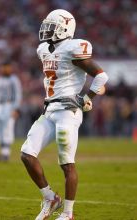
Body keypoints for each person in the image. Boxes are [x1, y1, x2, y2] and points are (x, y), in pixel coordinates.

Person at [21, 9, 108, 220]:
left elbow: (101, 76)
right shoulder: (43, 49)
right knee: (26, 153)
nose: (47, 30)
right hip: (49, 109)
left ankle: (68, 213)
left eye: (52, 26)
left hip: (68, 111)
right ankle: (50, 198)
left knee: (67, 163)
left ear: (65, 28)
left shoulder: (73, 48)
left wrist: (87, 98)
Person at [0, 61, 22, 161]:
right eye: (4, 67)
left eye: (7, 67)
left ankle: (5, 154)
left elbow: (18, 94)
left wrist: (16, 108)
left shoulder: (14, 79)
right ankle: (3, 153)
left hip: (9, 105)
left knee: (7, 129)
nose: (5, 69)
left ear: (10, 68)